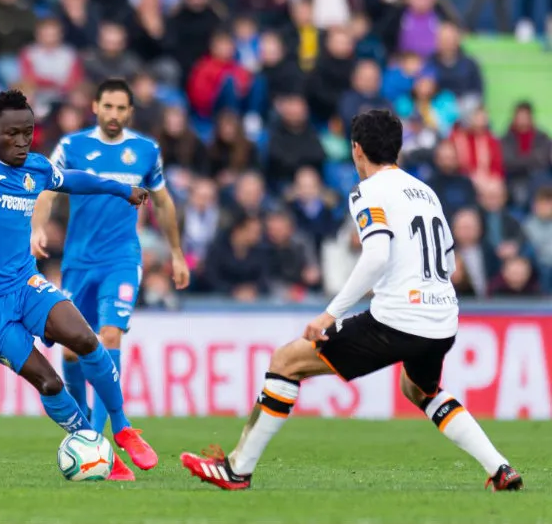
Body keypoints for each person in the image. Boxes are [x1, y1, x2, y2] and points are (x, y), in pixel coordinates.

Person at [179, 109, 523, 492]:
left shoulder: (367, 191)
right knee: (419, 389)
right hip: (442, 319)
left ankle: (237, 470)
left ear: (357, 149)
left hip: (399, 319)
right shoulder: (425, 191)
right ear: (397, 149)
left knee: (286, 362)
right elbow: (449, 262)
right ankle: (500, 468)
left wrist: (330, 314)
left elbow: (375, 256)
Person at [0, 89, 157, 482]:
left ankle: (122, 428)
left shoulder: (36, 168)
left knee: (86, 339)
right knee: (49, 381)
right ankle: (93, 445)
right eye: (12, 134)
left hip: (25, 283)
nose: (22, 142)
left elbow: (75, 180)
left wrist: (123, 190)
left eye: (28, 133)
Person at [31, 78, 189, 441]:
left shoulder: (146, 150)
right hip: (78, 262)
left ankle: (98, 438)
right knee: (73, 352)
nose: (114, 114)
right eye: (108, 107)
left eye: (121, 108)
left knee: (110, 336)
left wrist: (177, 253)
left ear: (129, 112)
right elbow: (47, 191)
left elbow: (163, 202)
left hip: (121, 259)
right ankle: (83, 423)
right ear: (95, 107)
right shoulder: (72, 146)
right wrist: (37, 229)